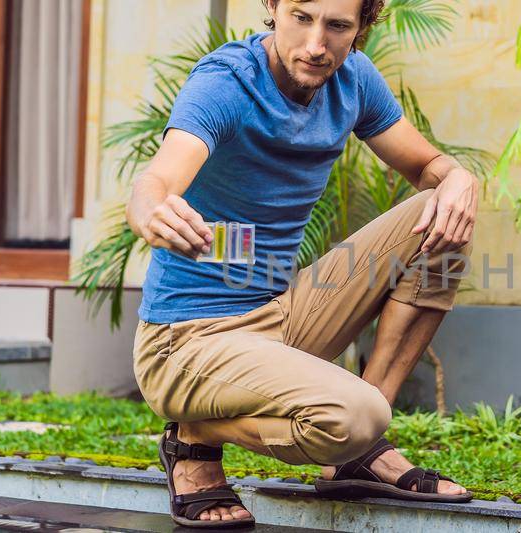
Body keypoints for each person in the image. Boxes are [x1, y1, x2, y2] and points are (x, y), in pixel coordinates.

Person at [126, 0, 480, 528]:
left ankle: (359, 446)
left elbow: (430, 166)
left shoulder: (354, 80)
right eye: (301, 17)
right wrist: (151, 208)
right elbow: (157, 179)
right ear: (272, 7)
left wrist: (460, 178)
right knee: (352, 414)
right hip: (186, 341)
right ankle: (194, 437)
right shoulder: (228, 82)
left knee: (444, 214)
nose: (316, 45)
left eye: (337, 25)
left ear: (361, 26)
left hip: (279, 318)